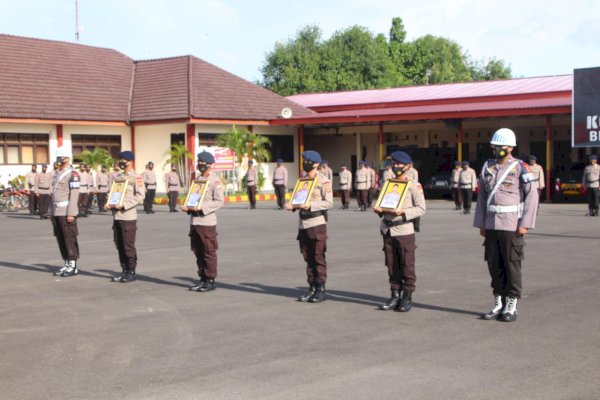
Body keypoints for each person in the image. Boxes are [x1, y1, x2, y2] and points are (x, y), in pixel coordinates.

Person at [474, 128, 538, 322]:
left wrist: (525, 223)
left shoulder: (521, 167)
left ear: (510, 147)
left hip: (512, 225)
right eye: (495, 146)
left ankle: (512, 304)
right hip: (492, 223)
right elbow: (482, 197)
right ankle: (498, 302)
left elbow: (532, 195)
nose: (498, 149)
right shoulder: (487, 167)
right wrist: (481, 223)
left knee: (512, 265)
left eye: (501, 146)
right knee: (494, 264)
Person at [374, 151, 426, 312]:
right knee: (391, 263)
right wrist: (378, 209)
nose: (396, 167)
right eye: (394, 164)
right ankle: (394, 294)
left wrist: (403, 212)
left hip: (404, 229)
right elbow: (381, 203)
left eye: (399, 164)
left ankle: (407, 296)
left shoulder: (413, 185)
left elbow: (421, 208)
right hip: (387, 228)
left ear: (408, 166)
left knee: (406, 264)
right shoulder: (387, 184)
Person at [286, 150, 333, 303]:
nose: (304, 163)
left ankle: (320, 288)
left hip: (316, 223)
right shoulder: (302, 180)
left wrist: (311, 205)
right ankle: (311, 287)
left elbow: (329, 203)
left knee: (318, 257)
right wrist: (292, 205)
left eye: (307, 161)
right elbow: (298, 198)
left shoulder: (323, 181)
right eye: (303, 161)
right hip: (303, 223)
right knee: (308, 257)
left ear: (316, 164)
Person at [184, 151, 224, 292]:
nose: (199, 164)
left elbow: (219, 201)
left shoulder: (215, 181)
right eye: (198, 161)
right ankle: (202, 278)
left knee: (208, 252)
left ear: (209, 164)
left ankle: (210, 280)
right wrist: (188, 206)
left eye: (202, 162)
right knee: (198, 251)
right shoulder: (197, 180)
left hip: (207, 222)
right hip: (195, 221)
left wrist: (202, 208)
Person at [106, 151, 145, 283]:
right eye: (120, 159)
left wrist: (124, 205)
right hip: (117, 216)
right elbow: (113, 192)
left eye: (123, 160)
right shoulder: (118, 176)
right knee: (119, 244)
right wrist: (110, 202)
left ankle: (131, 271)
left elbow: (140, 195)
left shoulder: (136, 177)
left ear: (130, 161)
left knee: (128, 245)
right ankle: (124, 270)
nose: (121, 162)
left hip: (128, 216)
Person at [50, 146, 81, 277]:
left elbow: (74, 195)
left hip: (66, 211)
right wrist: (51, 212)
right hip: (57, 211)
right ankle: (66, 263)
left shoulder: (72, 174)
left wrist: (71, 213)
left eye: (61, 158)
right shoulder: (57, 174)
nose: (58, 160)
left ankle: (73, 265)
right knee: (61, 238)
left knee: (69, 238)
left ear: (67, 159)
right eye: (57, 158)